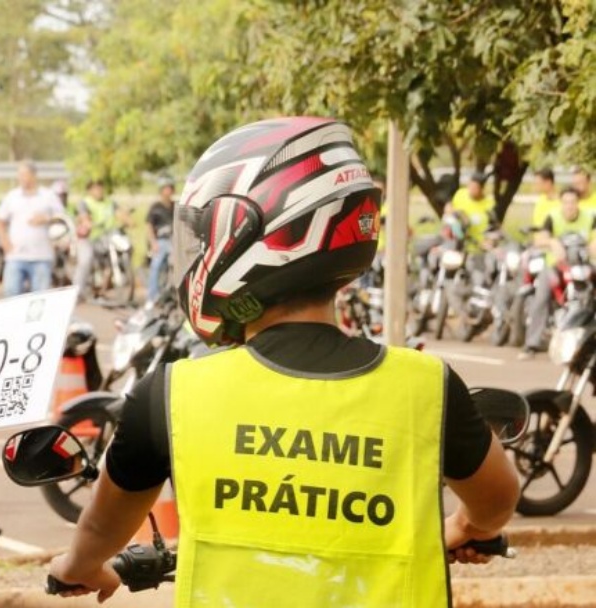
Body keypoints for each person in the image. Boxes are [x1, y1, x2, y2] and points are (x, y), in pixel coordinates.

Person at [46, 118, 519, 606]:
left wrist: (76, 567)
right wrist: (464, 526)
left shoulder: (170, 394)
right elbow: (497, 499)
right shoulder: (428, 386)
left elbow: (103, 526)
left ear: (248, 236)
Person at [520, 187, 596, 360]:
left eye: (573, 202)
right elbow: (539, 239)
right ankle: (531, 344)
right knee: (541, 298)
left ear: (578, 203)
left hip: (582, 266)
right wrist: (552, 242)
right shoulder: (552, 217)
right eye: (566, 202)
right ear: (561, 203)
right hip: (556, 267)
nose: (570, 206)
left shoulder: (589, 217)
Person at [0, 161, 67, 296]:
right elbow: (0, 220)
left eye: (25, 174)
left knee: (39, 300)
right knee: (11, 295)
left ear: (34, 176)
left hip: (41, 256)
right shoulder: (12, 196)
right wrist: (5, 242)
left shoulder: (48, 196)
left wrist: (46, 218)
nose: (22, 178)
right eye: (20, 175)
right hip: (15, 256)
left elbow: (62, 217)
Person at [71, 180, 118, 296]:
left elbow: (120, 213)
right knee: (86, 259)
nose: (99, 191)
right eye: (95, 188)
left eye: (100, 188)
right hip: (87, 238)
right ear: (90, 190)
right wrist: (88, 222)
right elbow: (84, 217)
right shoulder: (85, 203)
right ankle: (76, 291)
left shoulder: (109, 202)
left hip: (106, 237)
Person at [146, 176, 176, 303]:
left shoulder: (176, 206)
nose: (168, 191)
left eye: (170, 188)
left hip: (175, 241)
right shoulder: (155, 207)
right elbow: (148, 226)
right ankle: (152, 295)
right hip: (161, 241)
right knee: (157, 265)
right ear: (161, 190)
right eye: (166, 188)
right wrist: (153, 243)